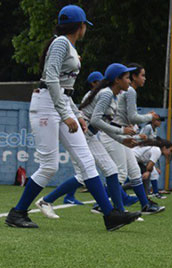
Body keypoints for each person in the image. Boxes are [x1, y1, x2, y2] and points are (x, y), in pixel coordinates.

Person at [5, 7, 139, 231]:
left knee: (86, 161)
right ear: (80, 26)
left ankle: (110, 215)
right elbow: (50, 79)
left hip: (59, 104)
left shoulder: (67, 45)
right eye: (85, 25)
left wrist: (75, 114)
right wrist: (65, 113)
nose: (86, 28)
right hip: (47, 105)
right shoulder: (60, 43)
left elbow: (66, 88)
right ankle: (17, 212)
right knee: (49, 165)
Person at [36, 64, 141, 220]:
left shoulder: (112, 96)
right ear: (117, 80)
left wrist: (122, 140)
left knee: (111, 170)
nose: (129, 81)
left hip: (89, 136)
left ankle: (120, 212)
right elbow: (96, 120)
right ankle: (46, 201)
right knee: (84, 176)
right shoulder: (106, 94)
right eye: (126, 78)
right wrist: (122, 132)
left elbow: (101, 126)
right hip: (81, 135)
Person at [103, 62, 164, 214]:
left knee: (135, 171)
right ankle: (105, 204)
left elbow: (129, 117)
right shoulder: (130, 91)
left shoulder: (127, 91)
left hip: (121, 134)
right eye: (141, 75)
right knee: (121, 173)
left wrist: (136, 129)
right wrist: (150, 116)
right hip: (115, 134)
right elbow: (132, 117)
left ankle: (145, 205)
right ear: (134, 77)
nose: (144, 78)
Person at [63, 70, 104, 206]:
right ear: (93, 83)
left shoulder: (98, 94)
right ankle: (51, 199)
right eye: (99, 81)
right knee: (83, 172)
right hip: (83, 133)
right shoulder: (93, 95)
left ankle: (68, 196)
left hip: (89, 134)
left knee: (85, 170)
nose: (103, 83)